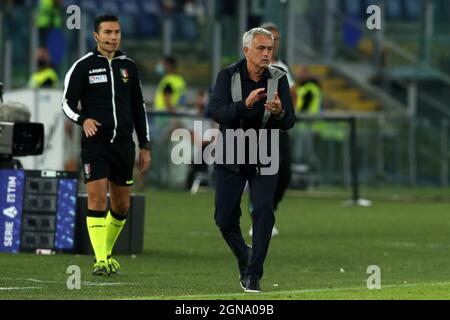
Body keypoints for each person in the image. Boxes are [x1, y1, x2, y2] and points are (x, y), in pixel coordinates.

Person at [61, 15, 151, 276]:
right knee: (97, 197)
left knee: (122, 205)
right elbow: (66, 103)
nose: (113, 37)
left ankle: (106, 252)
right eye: (108, 32)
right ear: (96, 36)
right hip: (95, 145)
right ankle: (100, 260)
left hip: (124, 145)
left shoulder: (129, 67)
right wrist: (83, 119)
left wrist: (145, 145)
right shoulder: (83, 66)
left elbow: (139, 108)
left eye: (117, 32)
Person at [211, 27, 295, 292]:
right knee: (224, 219)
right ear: (246, 50)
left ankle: (254, 273)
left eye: (269, 49)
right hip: (232, 151)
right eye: (261, 48)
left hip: (265, 150)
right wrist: (244, 105)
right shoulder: (227, 75)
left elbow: (290, 120)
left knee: (263, 211)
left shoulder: (278, 77)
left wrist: (280, 112)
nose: (267, 53)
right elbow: (218, 113)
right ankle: (244, 256)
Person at [247, 22, 296, 237]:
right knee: (258, 174)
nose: (271, 44)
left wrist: (283, 113)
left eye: (275, 39)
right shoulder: (248, 67)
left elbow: (292, 95)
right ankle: (258, 218)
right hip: (255, 131)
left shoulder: (283, 69)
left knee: (284, 174)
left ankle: (270, 210)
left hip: (278, 130)